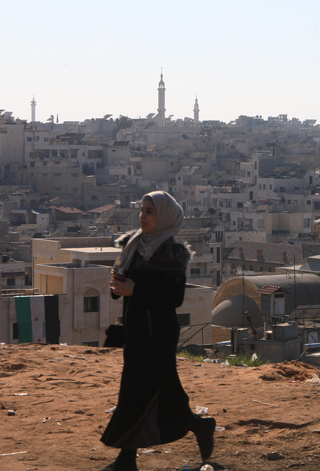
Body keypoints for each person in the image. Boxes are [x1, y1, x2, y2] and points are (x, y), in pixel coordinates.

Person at [100, 191, 215, 471]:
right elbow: (124, 288)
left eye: (150, 211)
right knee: (148, 388)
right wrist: (119, 287)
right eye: (142, 210)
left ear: (163, 216)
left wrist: (134, 289)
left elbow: (173, 298)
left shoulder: (170, 253)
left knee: (142, 388)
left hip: (158, 332)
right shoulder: (133, 245)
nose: (143, 216)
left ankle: (126, 460)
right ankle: (197, 425)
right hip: (137, 328)